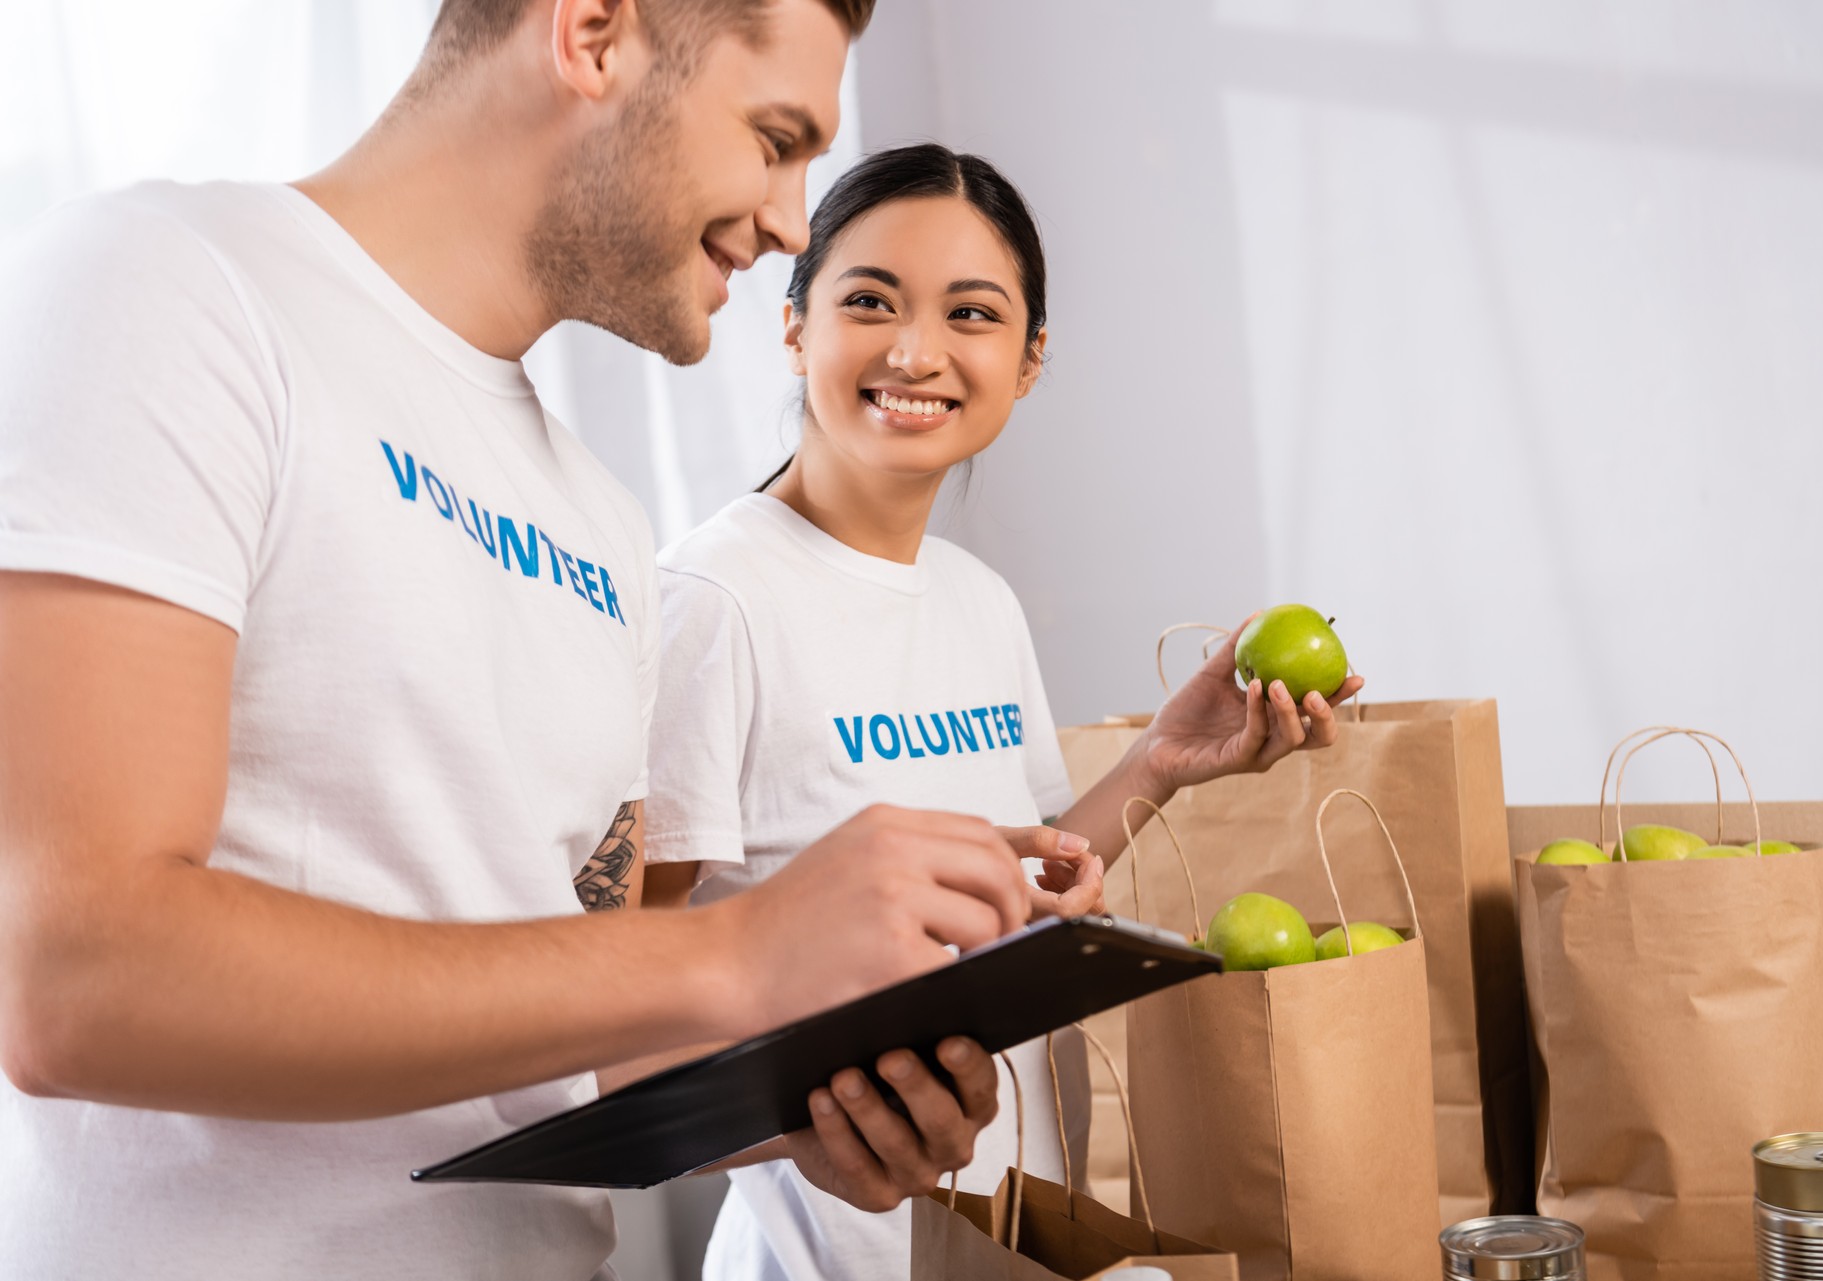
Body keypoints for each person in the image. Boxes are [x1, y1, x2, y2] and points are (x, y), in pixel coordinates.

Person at [0, 3, 1036, 1278]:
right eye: (774, 139)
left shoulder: (600, 527)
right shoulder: (170, 284)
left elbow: (565, 1061)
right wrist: (733, 951)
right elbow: (74, 977)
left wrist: (801, 1111)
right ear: (595, 34)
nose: (787, 222)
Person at [638, 142, 1365, 1281]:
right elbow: (612, 1031)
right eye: (870, 301)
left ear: (1028, 364)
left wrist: (1162, 765)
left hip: (993, 1240)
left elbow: (1019, 901)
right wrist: (824, 1126)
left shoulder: (980, 601)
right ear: (794, 327)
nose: (916, 351)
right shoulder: (712, 602)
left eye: (971, 314)